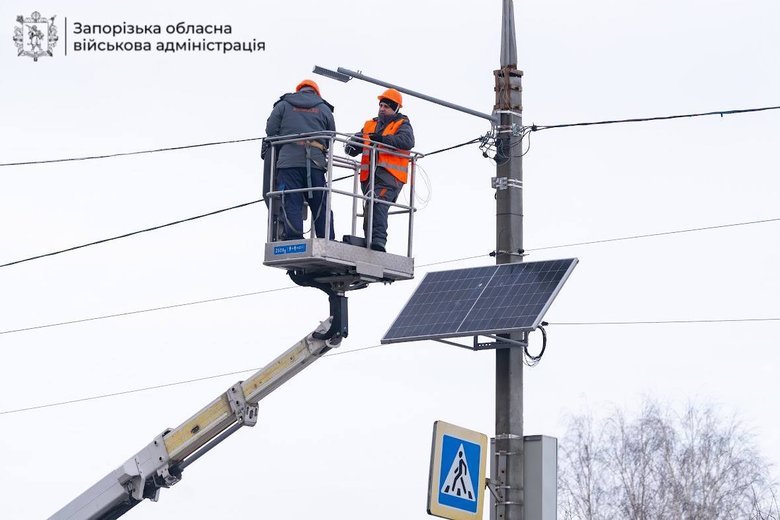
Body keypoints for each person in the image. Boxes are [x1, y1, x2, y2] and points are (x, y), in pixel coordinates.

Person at [265, 79, 336, 240]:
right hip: (315, 163)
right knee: (320, 202)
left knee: (292, 201)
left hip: (288, 162)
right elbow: (332, 137)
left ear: (299, 90)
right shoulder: (324, 109)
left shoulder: (283, 105)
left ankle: (293, 238)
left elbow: (270, 130)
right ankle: (326, 239)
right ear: (316, 93)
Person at [345, 88, 415, 252]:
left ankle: (378, 241)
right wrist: (352, 144)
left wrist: (383, 139)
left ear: (396, 108)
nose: (382, 108)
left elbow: (407, 141)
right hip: (370, 176)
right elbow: (354, 146)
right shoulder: (370, 124)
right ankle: (370, 241)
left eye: (387, 106)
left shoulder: (402, 124)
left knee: (378, 205)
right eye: (381, 105)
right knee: (370, 206)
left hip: (390, 176)